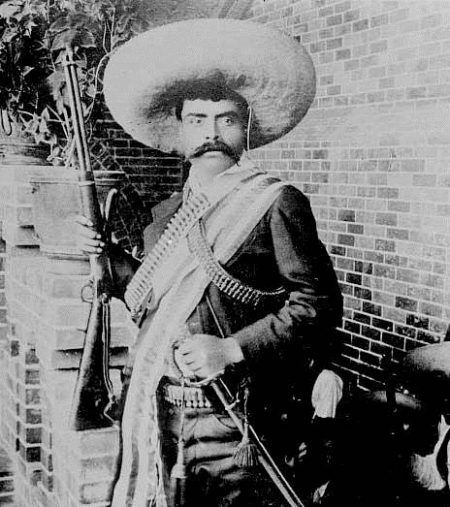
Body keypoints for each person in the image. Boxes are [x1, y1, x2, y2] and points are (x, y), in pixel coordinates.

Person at [76, 19, 343, 507]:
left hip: (238, 421)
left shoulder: (275, 202)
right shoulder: (168, 215)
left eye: (227, 120)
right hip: (162, 415)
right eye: (198, 120)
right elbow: (154, 298)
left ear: (246, 130)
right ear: (180, 130)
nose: (212, 134)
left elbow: (317, 307)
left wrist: (231, 348)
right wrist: (105, 257)